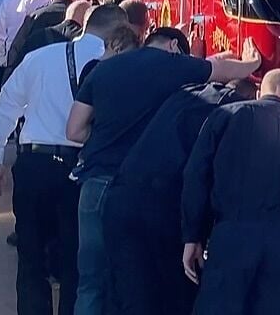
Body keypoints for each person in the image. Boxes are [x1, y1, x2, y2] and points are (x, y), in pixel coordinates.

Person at [65, 28, 262, 315]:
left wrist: (108, 139)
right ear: (173, 46)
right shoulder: (172, 65)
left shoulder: (104, 70)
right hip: (141, 188)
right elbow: (219, 70)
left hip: (95, 183)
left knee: (91, 281)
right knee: (136, 283)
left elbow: (74, 130)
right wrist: (252, 64)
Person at [0, 4, 128, 315]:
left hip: (34, 165)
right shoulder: (119, 66)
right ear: (120, 31)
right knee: (75, 259)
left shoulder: (39, 58)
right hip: (81, 170)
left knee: (31, 257)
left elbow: (6, 105)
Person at [104, 76, 257, 315]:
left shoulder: (186, 93)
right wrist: (194, 233)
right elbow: (201, 174)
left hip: (121, 197)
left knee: (130, 296)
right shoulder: (235, 112)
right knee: (175, 295)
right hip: (165, 205)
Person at [183, 70, 280, 315]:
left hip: (231, 233)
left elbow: (196, 175)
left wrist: (193, 235)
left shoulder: (227, 114)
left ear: (260, 93)